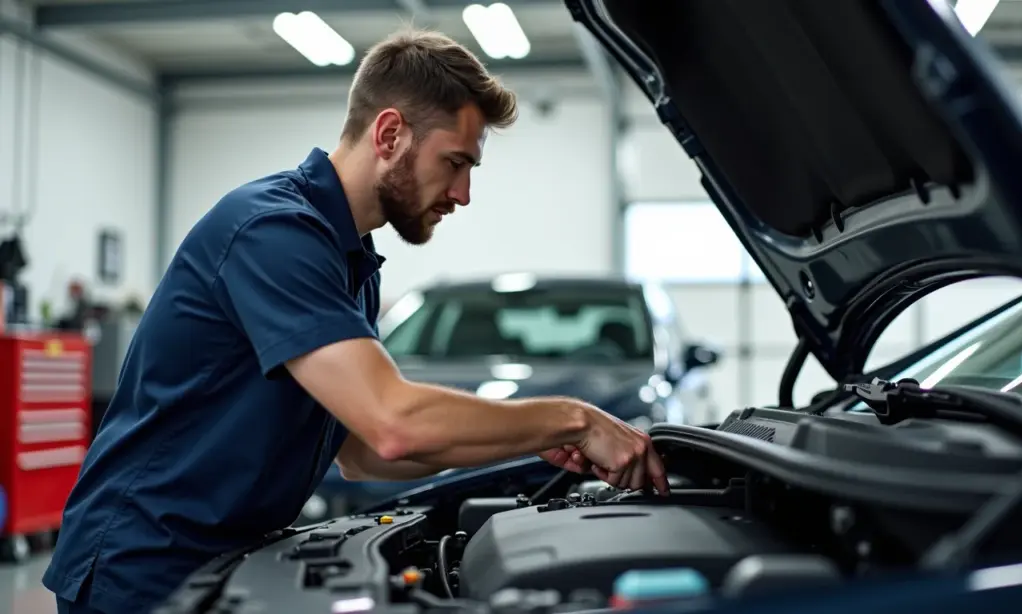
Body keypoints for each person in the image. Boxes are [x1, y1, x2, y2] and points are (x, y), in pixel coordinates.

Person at [43, 29, 669, 614]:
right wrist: (574, 418)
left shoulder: (350, 259)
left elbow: (366, 454)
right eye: (455, 163)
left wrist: (528, 441)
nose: (463, 194)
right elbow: (393, 423)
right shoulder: (273, 231)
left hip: (223, 561)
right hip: (146, 572)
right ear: (390, 134)